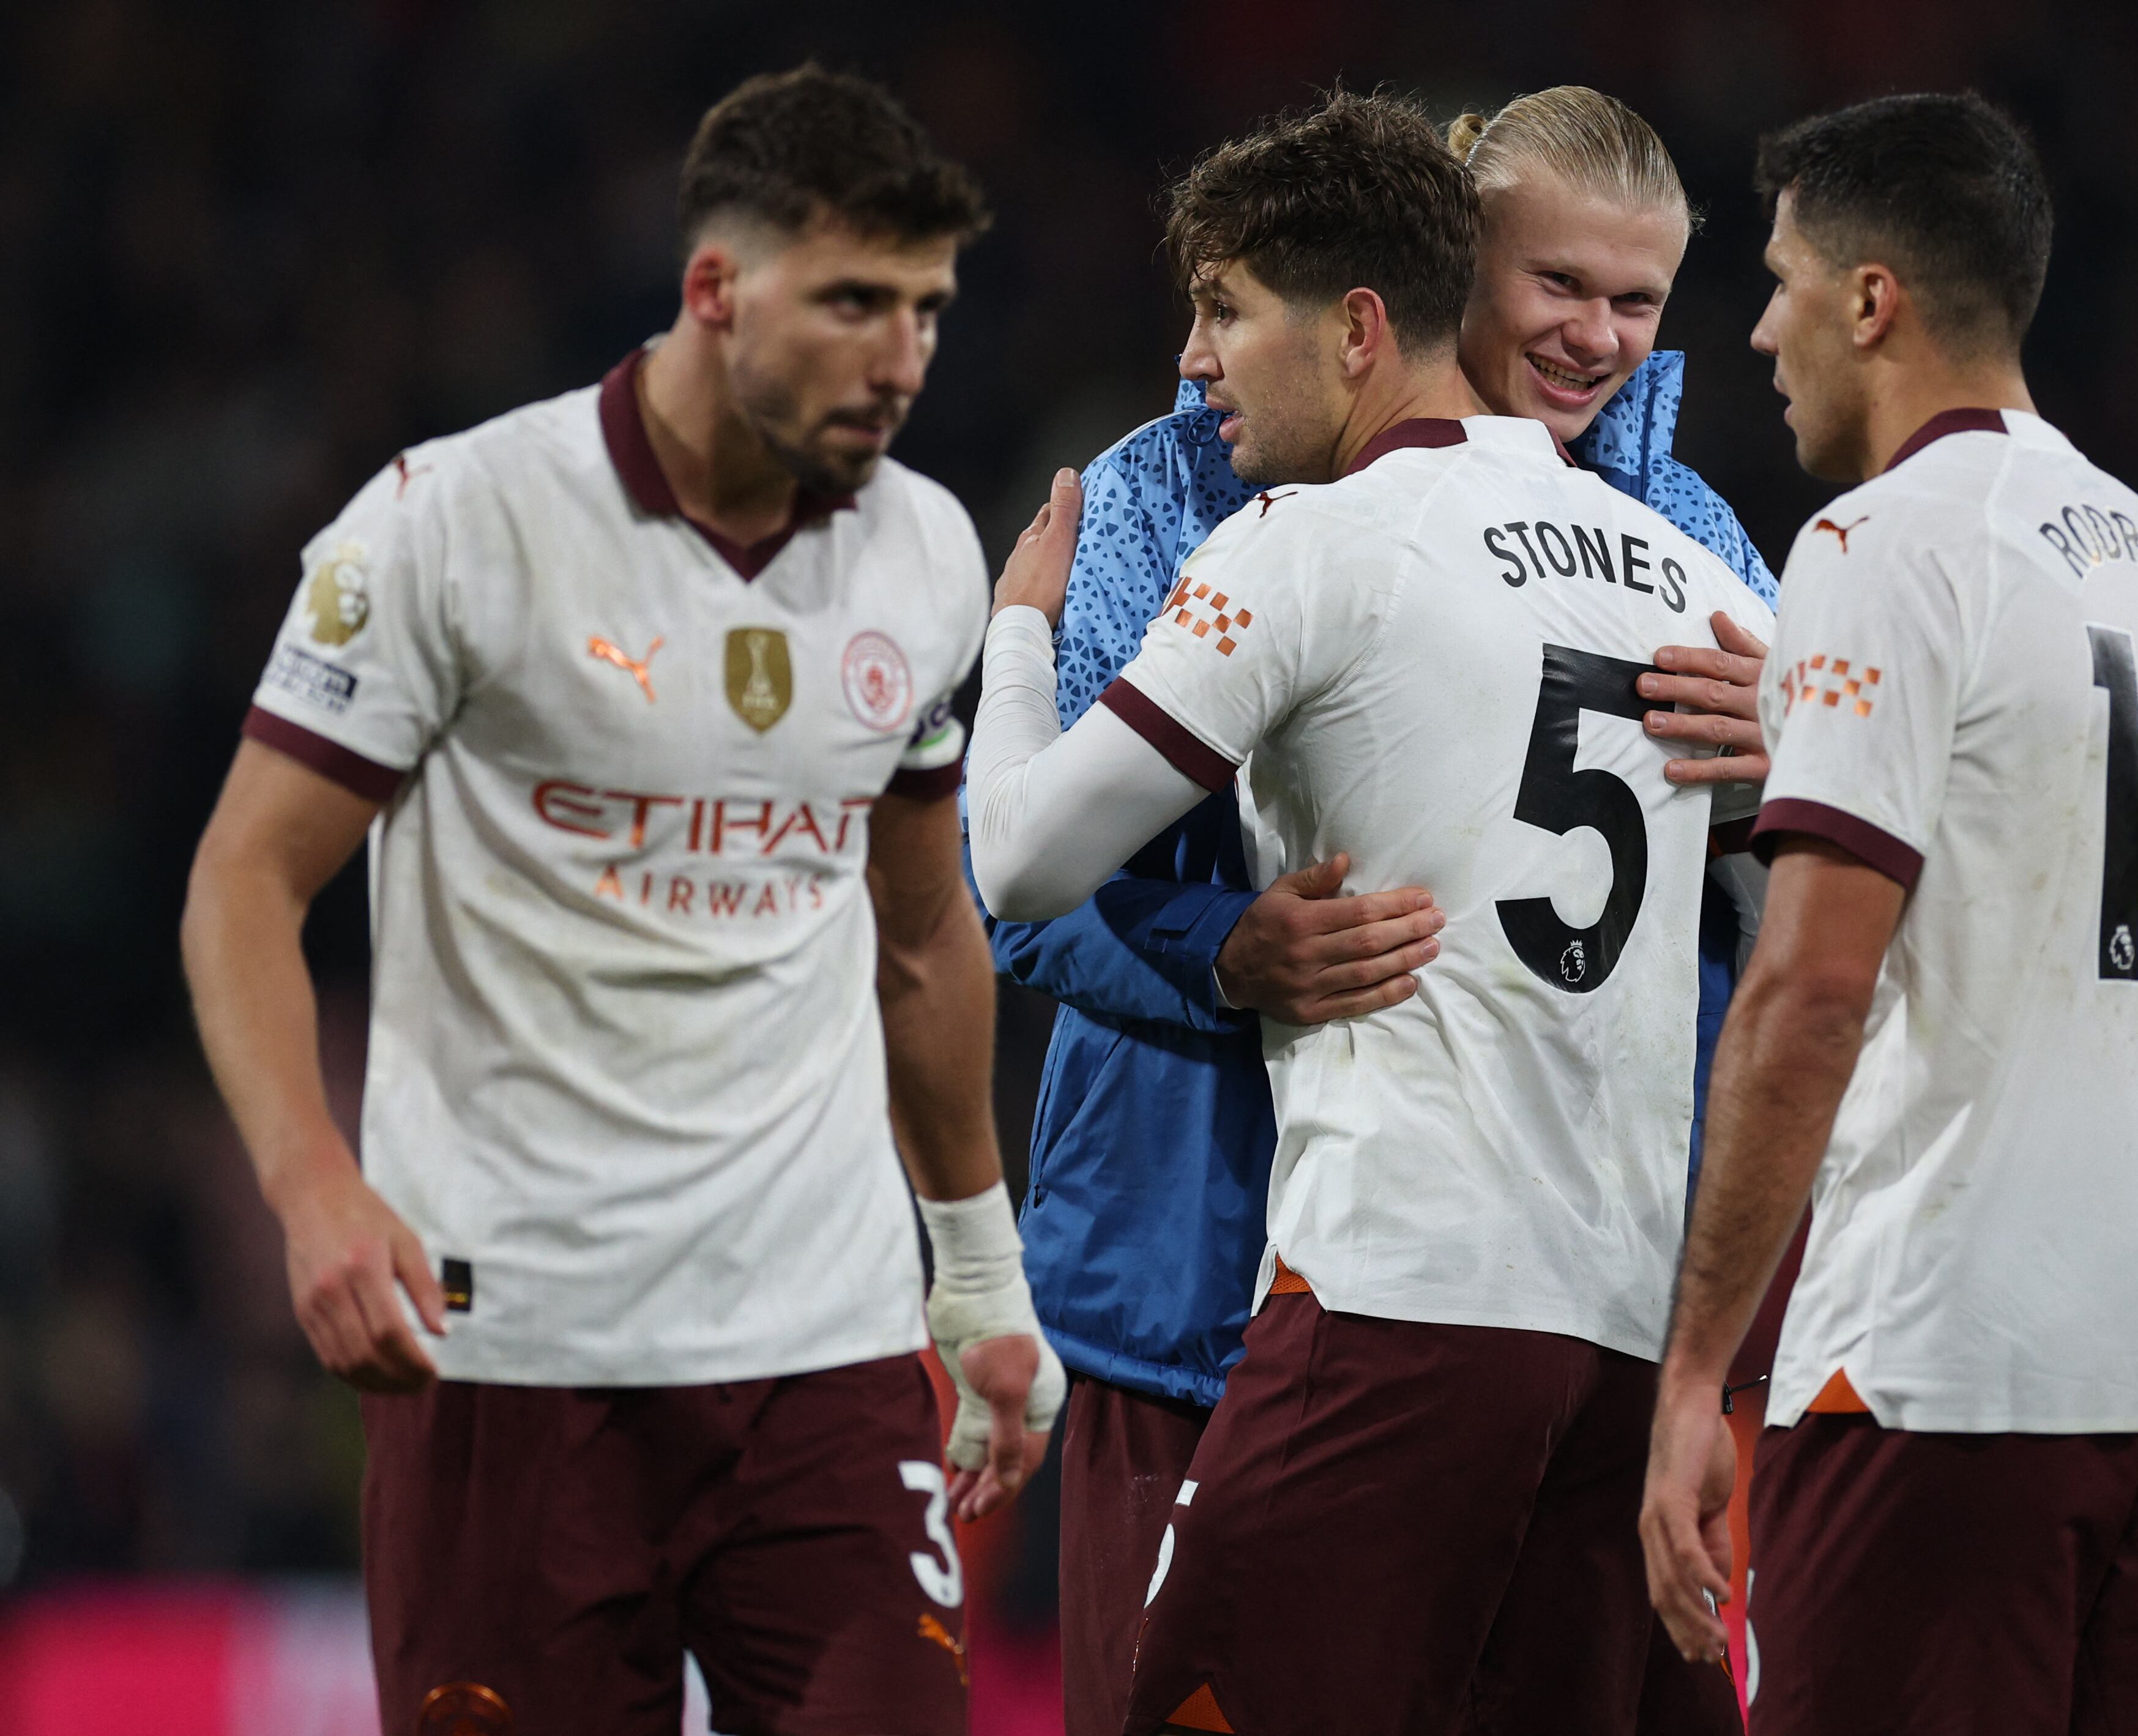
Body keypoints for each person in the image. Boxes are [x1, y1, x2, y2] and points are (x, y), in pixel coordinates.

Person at [177, 67, 1062, 1736]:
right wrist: (313, 1192)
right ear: (715, 292)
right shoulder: (455, 529)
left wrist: (981, 1279)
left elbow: (926, 932)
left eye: (929, 310)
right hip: (516, 1354)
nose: (903, 358)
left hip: (822, 1341)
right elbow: (243, 881)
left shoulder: (929, 552)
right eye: (855, 303)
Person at [966, 92, 1776, 1735]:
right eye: (1558, 282)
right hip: (1222, 1279)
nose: (1599, 336)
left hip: (1413, 1287)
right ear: (1437, 271)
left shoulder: (1380, 531)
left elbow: (1017, 854)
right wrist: (1222, 955)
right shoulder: (1657, 564)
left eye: (1639, 300)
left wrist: (1016, 641)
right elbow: (1020, 907)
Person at [1639, 94, 2138, 1734]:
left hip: (1945, 1372)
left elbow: (1807, 993)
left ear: (1875, 300)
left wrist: (1695, 1372)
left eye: (1785, 278)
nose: (1760, 325)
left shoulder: (1884, 547)